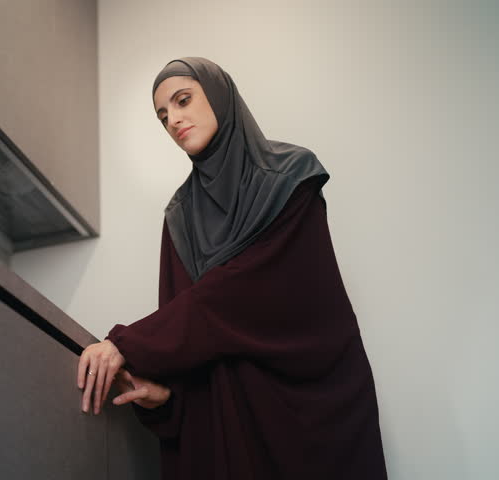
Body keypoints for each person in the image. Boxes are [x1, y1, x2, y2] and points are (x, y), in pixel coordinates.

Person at [76, 57, 388, 479]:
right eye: (163, 116)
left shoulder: (290, 178)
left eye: (183, 100)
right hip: (227, 421)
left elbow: (242, 293)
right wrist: (165, 396)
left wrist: (128, 343)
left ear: (219, 96)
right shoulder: (180, 218)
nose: (174, 120)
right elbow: (190, 334)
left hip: (312, 414)